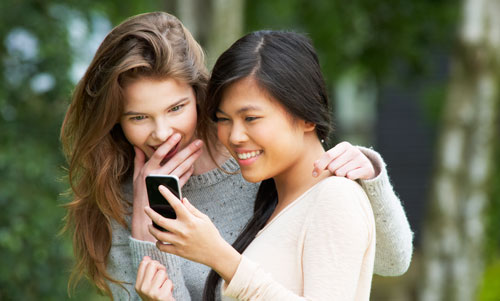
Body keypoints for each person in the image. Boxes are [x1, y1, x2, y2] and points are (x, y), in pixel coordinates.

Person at [60, 12, 412, 301]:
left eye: (177, 108)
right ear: (115, 121)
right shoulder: (123, 195)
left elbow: (386, 260)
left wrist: (369, 178)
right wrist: (145, 233)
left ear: (198, 95)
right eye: (138, 117)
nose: (162, 132)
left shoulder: (254, 159)